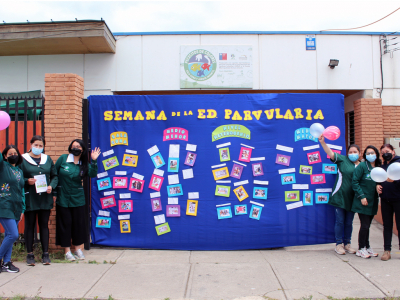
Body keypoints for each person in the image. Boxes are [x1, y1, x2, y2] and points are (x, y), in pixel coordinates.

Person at [54, 139, 100, 261]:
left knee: (78, 224)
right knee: (65, 224)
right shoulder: (63, 159)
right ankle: (67, 251)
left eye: (78, 146)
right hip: (63, 197)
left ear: (83, 149)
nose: (76, 148)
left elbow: (92, 174)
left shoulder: (83, 163)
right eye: (74, 146)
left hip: (78, 198)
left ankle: (78, 249)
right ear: (70, 148)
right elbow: (54, 175)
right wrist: (54, 192)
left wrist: (94, 160)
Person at [20, 136, 58, 266]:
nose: (38, 148)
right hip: (30, 196)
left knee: (44, 225)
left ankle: (45, 254)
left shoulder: (47, 159)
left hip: (44, 197)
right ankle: (30, 254)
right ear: (30, 144)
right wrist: (26, 181)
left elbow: (54, 176)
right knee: (29, 225)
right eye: (35, 145)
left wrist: (51, 186)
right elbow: (17, 176)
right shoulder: (23, 159)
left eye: (40, 146)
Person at [319, 135, 360, 255]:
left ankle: (347, 244)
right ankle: (338, 244)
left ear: (359, 153)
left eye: (355, 152)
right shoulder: (342, 160)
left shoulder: (362, 165)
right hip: (340, 197)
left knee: (349, 222)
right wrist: (323, 143)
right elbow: (330, 153)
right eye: (350, 152)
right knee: (340, 221)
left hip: (353, 199)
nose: (352, 153)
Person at [352, 145, 381, 259]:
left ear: (376, 154)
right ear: (364, 155)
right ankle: (361, 248)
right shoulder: (362, 166)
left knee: (368, 225)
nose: (370, 155)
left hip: (373, 201)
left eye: (372, 153)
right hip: (363, 201)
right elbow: (355, 182)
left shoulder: (378, 167)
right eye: (368, 153)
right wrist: (362, 196)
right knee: (364, 225)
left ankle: (367, 246)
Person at [0, 145, 25, 273]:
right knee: (14, 234)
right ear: (5, 156)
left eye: (15, 153)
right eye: (10, 154)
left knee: (9, 235)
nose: (13, 155)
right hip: (5, 205)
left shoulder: (19, 171)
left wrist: (22, 209)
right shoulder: (3, 167)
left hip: (17, 207)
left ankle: (7, 262)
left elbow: (21, 190)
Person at [376, 144, 400, 261]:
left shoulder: (398, 163)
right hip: (385, 200)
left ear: (393, 152)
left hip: (398, 199)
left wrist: (395, 180)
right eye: (383, 152)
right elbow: (379, 179)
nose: (385, 153)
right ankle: (387, 250)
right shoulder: (382, 166)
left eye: (388, 151)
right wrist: (378, 186)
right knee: (387, 226)